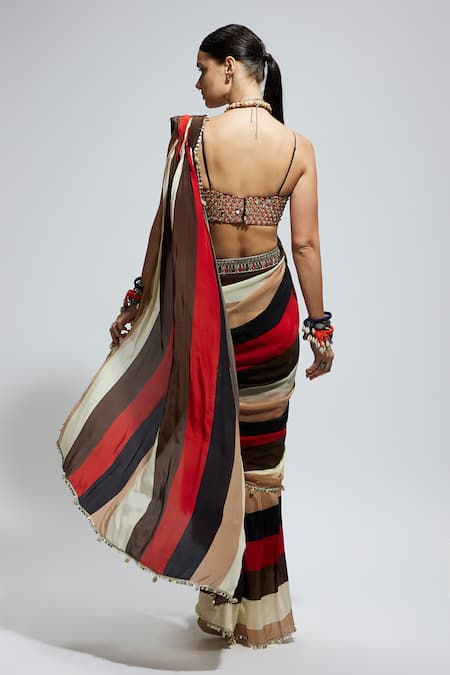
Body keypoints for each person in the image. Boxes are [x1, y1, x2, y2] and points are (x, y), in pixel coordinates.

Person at [57, 24, 334, 651]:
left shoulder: (193, 138)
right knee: (263, 469)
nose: (198, 81)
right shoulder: (299, 147)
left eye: (203, 68)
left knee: (215, 460)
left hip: (212, 319)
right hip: (272, 319)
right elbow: (306, 246)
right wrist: (321, 328)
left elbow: (164, 229)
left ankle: (221, 600)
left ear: (232, 68)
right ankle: (259, 613)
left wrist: (136, 301)